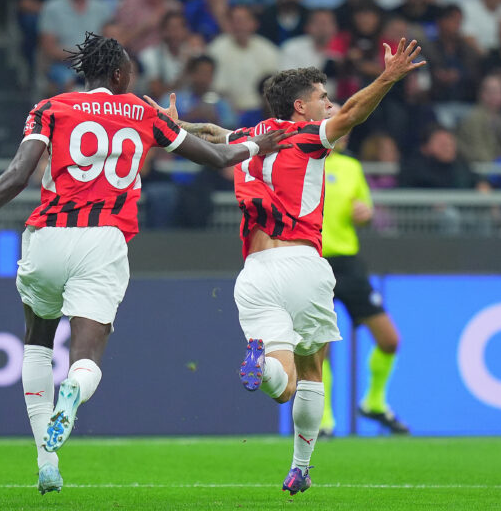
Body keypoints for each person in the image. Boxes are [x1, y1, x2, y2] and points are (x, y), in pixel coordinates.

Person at [0, 32, 293, 496]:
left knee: (37, 341)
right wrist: (260, 145)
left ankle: (45, 463)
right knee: (86, 359)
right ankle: (72, 390)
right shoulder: (142, 111)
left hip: (47, 237)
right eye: (129, 69)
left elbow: (15, 178)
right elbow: (218, 157)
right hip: (104, 242)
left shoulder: (50, 109)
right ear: (117, 74)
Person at [149, 37, 425, 494]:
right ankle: (300, 466)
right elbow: (355, 111)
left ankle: (265, 368)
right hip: (302, 262)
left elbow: (213, 136)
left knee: (282, 383)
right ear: (300, 107)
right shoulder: (307, 137)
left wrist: (174, 128)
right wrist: (388, 77)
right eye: (322, 98)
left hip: (256, 270)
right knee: (312, 371)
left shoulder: (248, 138)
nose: (330, 104)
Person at [318, 133, 409, 438]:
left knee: (389, 339)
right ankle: (324, 419)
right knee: (320, 347)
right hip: (313, 263)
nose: (343, 133)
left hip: (349, 262)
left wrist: (365, 215)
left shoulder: (351, 167)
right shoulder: (301, 163)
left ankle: (374, 402)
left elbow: (366, 213)